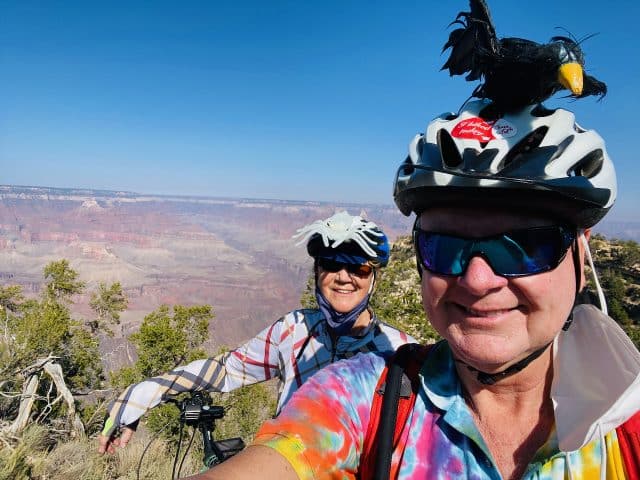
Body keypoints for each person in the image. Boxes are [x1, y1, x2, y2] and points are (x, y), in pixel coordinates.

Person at [187, 100, 640, 479]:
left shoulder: (628, 425)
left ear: (581, 258)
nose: (478, 280)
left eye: (523, 246)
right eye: (444, 245)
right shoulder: (373, 397)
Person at [98, 210, 413, 454]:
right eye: (331, 264)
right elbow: (224, 371)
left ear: (374, 278)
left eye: (359, 268)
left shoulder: (400, 352)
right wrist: (145, 392)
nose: (344, 278)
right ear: (317, 272)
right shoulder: (293, 330)